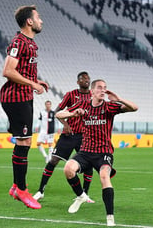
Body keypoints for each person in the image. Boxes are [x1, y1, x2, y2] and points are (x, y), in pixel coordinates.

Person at [56, 79, 138, 227]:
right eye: (100, 88)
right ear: (92, 91)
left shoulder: (109, 107)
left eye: (105, 88)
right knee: (68, 168)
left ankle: (110, 217)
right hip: (85, 152)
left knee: (104, 176)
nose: (103, 90)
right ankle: (81, 196)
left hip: (104, 153)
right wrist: (74, 114)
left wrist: (119, 99)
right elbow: (59, 114)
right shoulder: (83, 105)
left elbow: (134, 108)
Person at [1, 5, 49, 209]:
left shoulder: (30, 43)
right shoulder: (19, 42)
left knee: (24, 141)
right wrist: (32, 84)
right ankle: (22, 190)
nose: (41, 21)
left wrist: (36, 81)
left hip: (23, 96)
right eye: (38, 17)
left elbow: (21, 70)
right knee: (24, 142)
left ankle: (16, 186)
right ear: (29, 21)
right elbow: (8, 71)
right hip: (15, 97)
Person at [33, 72, 94, 202]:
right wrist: (65, 124)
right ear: (78, 82)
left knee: (88, 165)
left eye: (88, 78)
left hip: (85, 136)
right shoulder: (71, 95)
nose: (86, 80)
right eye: (83, 79)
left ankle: (84, 194)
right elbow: (57, 111)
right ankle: (40, 191)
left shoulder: (93, 96)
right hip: (69, 135)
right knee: (53, 160)